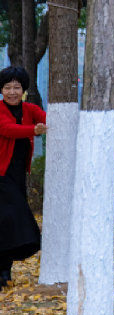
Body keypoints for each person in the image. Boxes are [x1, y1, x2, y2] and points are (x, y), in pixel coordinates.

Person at [0, 65, 47, 289]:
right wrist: (34, 130)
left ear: (23, 89)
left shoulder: (30, 109)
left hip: (17, 174)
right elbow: (8, 129)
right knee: (16, 216)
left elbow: (47, 119)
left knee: (5, 224)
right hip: (1, 175)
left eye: (16, 87)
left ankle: (4, 271)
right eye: (7, 87)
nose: (12, 92)